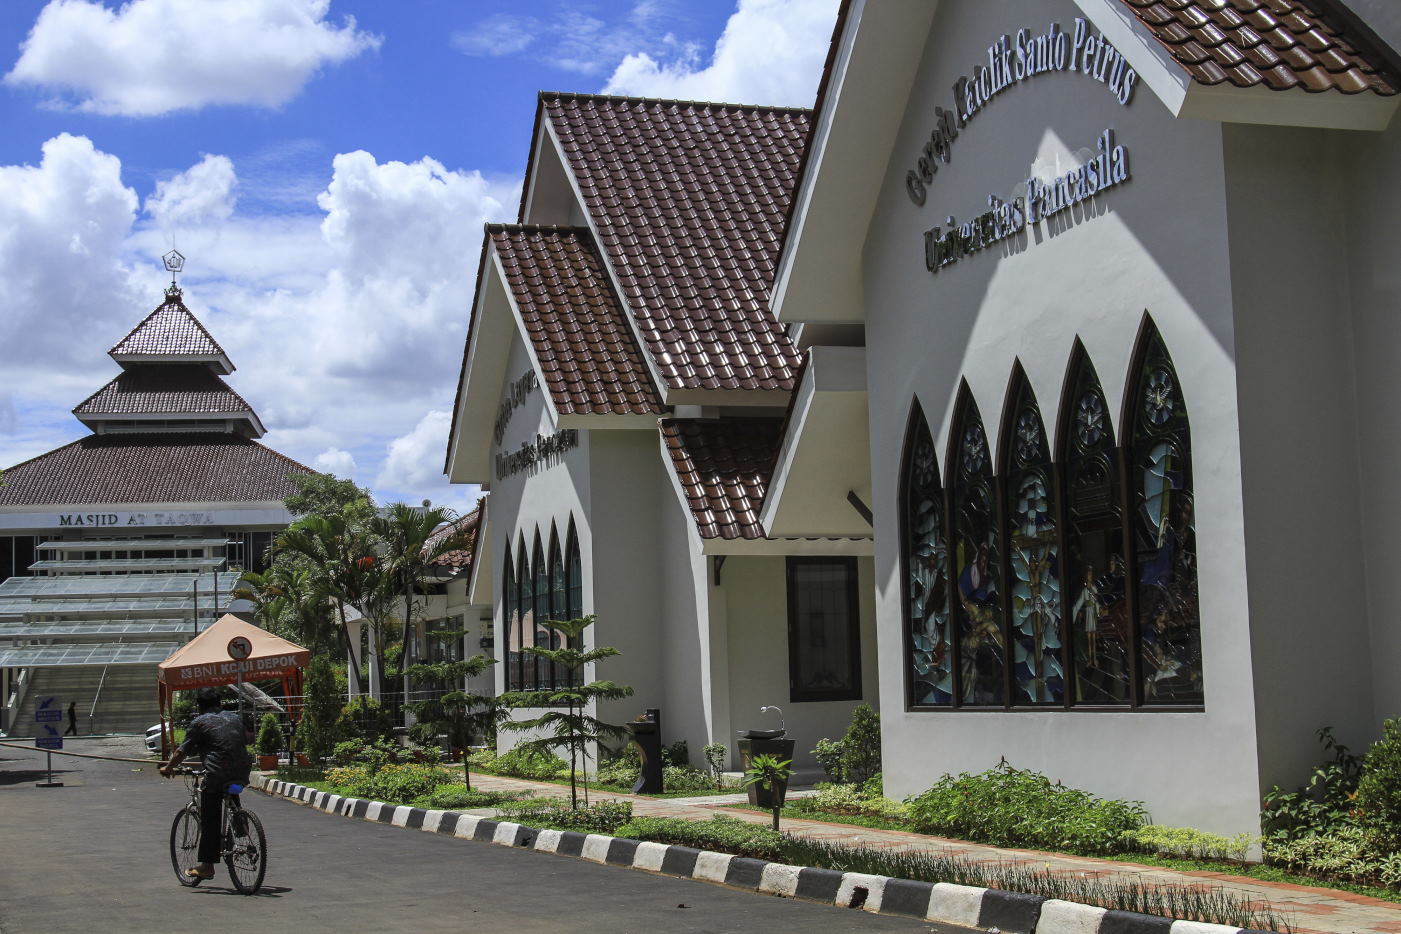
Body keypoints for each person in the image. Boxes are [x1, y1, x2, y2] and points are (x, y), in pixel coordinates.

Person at [160, 687, 252, 881]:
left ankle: (207, 866)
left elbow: (182, 751)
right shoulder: (235, 718)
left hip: (217, 773)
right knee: (229, 789)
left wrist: (168, 768)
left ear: (199, 706)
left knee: (210, 816)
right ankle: (241, 826)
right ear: (220, 703)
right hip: (243, 771)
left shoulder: (199, 722)